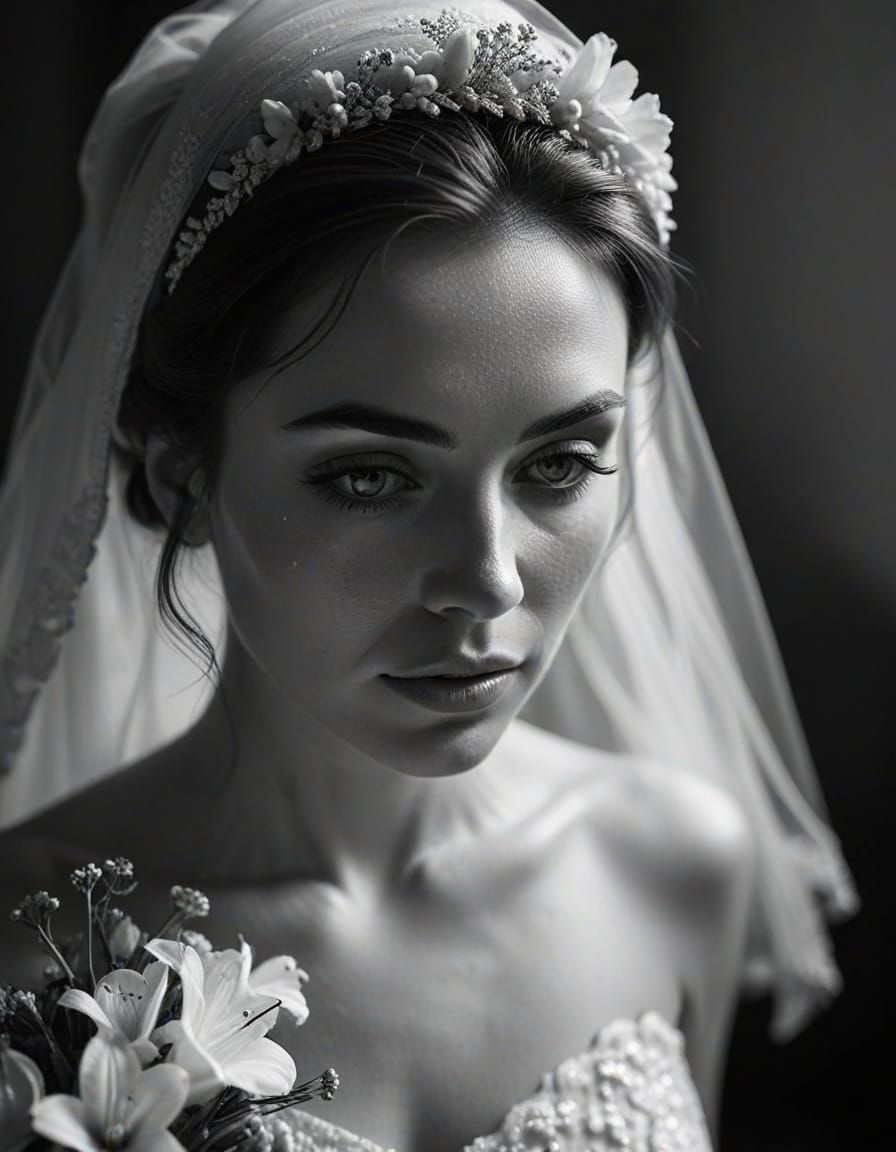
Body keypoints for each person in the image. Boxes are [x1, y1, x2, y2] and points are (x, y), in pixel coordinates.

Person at [0, 2, 858, 1149]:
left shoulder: (673, 865)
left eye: (556, 463)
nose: (488, 581)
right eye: (369, 477)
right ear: (177, 475)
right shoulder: (33, 943)